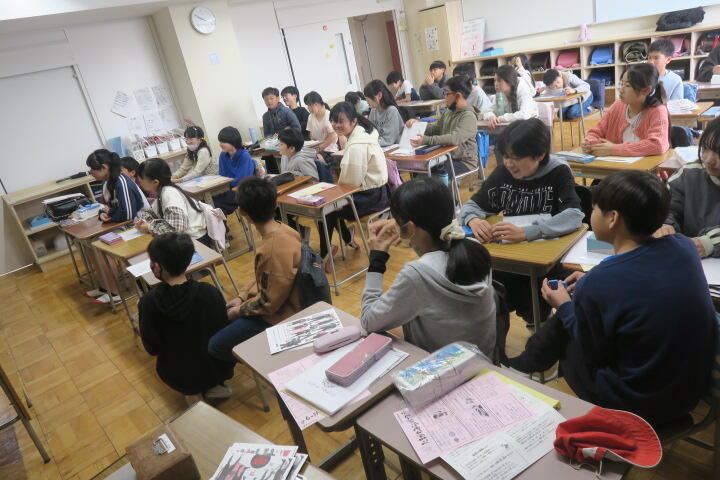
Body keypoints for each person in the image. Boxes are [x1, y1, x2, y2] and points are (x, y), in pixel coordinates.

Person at [507, 170, 716, 428]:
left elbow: (591, 350)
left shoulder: (601, 281)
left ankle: (527, 366)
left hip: (635, 405)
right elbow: (639, 278)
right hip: (688, 394)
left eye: (594, 208)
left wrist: (563, 305)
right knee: (580, 311)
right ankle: (528, 363)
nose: (591, 214)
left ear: (613, 218)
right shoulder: (684, 247)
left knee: (568, 327)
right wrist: (589, 286)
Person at [459, 118, 583, 323]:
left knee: (536, 291)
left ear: (540, 155)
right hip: (513, 256)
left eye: (515, 158)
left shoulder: (558, 172)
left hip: (547, 259)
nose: (509, 163)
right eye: (506, 156)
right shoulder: (503, 173)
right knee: (487, 286)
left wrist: (527, 232)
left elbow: (574, 215)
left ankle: (537, 319)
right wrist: (473, 220)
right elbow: (471, 206)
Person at [360, 177, 497, 356]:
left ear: (409, 228)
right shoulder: (475, 249)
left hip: (440, 367)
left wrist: (376, 261)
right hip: (482, 362)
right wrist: (403, 225)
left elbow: (368, 321)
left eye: (398, 223)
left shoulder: (417, 275)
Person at [208, 177, 303, 363]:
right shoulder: (285, 230)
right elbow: (265, 278)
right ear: (276, 203)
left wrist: (238, 311)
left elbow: (268, 304)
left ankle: (264, 363)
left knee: (215, 346)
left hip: (284, 315)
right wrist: (242, 296)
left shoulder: (271, 249)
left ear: (242, 212)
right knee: (224, 319)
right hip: (283, 301)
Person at [139, 232, 234, 405]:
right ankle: (213, 387)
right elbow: (224, 330)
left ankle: (193, 394)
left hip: (177, 374)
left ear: (157, 267)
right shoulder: (209, 292)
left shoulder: (148, 303)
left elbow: (151, 347)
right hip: (216, 367)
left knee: (181, 363)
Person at [319, 101, 391, 267]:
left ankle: (325, 254)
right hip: (380, 192)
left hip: (370, 197)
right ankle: (346, 238)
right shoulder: (366, 133)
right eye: (333, 121)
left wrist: (332, 190)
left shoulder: (357, 146)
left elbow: (349, 184)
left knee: (326, 208)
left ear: (353, 121)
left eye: (341, 121)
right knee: (332, 207)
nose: (336, 125)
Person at [85, 149, 149, 304]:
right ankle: (105, 287)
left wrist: (110, 216)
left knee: (100, 247)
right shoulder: (109, 182)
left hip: (138, 226)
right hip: (124, 224)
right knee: (89, 244)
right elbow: (107, 205)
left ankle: (114, 293)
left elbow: (128, 215)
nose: (90, 172)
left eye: (92, 169)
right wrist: (102, 213)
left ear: (104, 168)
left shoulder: (121, 181)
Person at [655, 117, 720, 257]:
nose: (709, 160)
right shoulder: (688, 175)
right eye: (705, 148)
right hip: (690, 260)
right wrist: (665, 225)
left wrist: (710, 242)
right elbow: (665, 208)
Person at [583, 63, 670, 157]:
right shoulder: (617, 105)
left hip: (644, 166)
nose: (621, 90)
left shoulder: (658, 111)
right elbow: (596, 132)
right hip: (615, 164)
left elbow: (658, 145)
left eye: (628, 85)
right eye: (622, 84)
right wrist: (590, 142)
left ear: (646, 90)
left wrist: (613, 149)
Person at [406, 76, 479, 174]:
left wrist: (426, 140)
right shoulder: (448, 112)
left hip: (463, 162)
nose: (445, 97)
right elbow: (436, 128)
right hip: (446, 156)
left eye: (447, 93)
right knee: (419, 167)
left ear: (458, 96)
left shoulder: (468, 116)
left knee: (437, 171)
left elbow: (454, 138)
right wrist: (418, 124)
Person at [136, 159, 212, 246]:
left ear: (155, 182)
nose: (139, 180)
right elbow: (151, 212)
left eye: (142, 178)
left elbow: (176, 229)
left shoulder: (169, 194)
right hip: (186, 239)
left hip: (194, 242)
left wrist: (149, 227)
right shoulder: (164, 190)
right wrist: (142, 221)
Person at [212, 126, 257, 215]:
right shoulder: (223, 155)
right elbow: (222, 176)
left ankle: (221, 224)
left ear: (232, 141)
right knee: (207, 202)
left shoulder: (244, 156)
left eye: (223, 141)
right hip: (227, 189)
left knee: (216, 206)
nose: (220, 144)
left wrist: (227, 184)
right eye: (220, 141)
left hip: (242, 190)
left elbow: (242, 181)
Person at [481, 65, 538, 129]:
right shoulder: (500, 94)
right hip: (513, 127)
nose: (496, 84)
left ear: (509, 81)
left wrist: (501, 118)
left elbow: (524, 115)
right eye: (495, 80)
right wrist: (491, 117)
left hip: (530, 126)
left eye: (499, 80)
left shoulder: (524, 90)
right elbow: (487, 111)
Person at [262, 87, 302, 173]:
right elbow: (266, 135)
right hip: (274, 146)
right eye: (266, 100)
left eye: (271, 98)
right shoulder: (265, 116)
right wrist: (272, 138)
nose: (269, 101)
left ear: (278, 98)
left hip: (289, 144)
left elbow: (297, 128)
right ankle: (275, 178)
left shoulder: (286, 111)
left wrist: (282, 134)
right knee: (265, 157)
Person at [304, 91, 342, 164]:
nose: (308, 108)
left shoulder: (329, 115)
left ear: (316, 104)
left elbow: (332, 136)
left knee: (312, 160)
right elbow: (311, 136)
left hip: (329, 150)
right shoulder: (310, 117)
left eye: (309, 105)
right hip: (316, 149)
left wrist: (318, 149)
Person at [364, 80, 405, 147]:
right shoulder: (373, 111)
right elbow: (370, 131)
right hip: (380, 146)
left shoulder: (391, 111)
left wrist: (368, 142)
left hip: (395, 147)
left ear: (379, 95)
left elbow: (388, 140)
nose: (367, 102)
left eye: (368, 100)